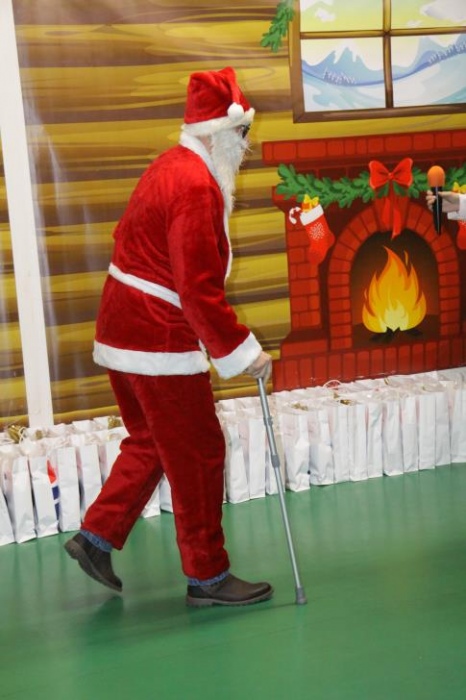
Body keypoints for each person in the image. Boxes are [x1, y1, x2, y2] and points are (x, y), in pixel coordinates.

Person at [64, 67, 274, 607]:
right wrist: (245, 353)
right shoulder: (196, 186)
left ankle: (96, 537)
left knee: (153, 441)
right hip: (156, 340)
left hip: (121, 327)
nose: (245, 144)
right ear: (218, 132)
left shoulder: (170, 165)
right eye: (241, 133)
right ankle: (208, 576)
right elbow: (197, 290)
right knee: (199, 450)